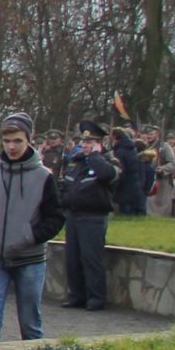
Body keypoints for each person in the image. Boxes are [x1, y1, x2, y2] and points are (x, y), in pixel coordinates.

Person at [0, 113, 63, 343]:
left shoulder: (44, 177)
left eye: (17, 141)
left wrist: (30, 236)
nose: (12, 146)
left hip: (30, 259)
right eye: (7, 141)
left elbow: (55, 217)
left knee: (30, 323)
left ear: (28, 140)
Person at [59, 124, 119, 310]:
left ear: (100, 143)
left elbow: (107, 175)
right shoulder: (75, 161)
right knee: (73, 258)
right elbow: (65, 185)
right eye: (84, 141)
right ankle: (76, 295)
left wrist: (95, 156)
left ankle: (96, 297)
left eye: (90, 142)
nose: (86, 145)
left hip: (93, 215)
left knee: (91, 258)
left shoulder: (108, 161)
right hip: (74, 214)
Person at [111, 126, 148, 216]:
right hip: (133, 181)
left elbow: (121, 168)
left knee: (125, 209)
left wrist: (116, 182)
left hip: (124, 183)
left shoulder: (120, 151)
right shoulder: (132, 149)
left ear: (116, 137)